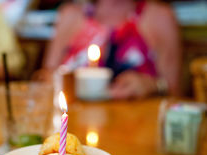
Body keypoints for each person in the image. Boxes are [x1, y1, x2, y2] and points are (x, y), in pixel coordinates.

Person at [41, 0, 182, 99]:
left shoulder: (159, 17)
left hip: (135, 129)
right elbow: (45, 78)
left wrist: (152, 86)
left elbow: (175, 92)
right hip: (73, 125)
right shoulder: (70, 14)